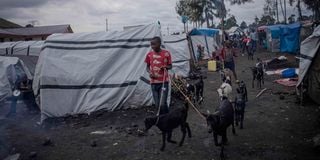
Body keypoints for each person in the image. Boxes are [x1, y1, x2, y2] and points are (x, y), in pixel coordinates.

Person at [145, 36, 172, 115]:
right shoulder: (149, 55)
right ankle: (166, 117)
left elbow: (170, 66)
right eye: (151, 44)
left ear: (159, 44)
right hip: (153, 83)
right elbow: (147, 67)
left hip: (164, 83)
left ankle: (166, 117)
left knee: (162, 104)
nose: (152, 46)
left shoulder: (166, 53)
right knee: (157, 105)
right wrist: (150, 72)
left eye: (154, 44)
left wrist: (165, 67)